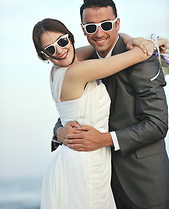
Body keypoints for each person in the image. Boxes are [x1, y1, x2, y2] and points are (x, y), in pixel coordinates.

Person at [53, 0, 169, 209]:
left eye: (106, 24)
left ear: (117, 23)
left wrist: (104, 139)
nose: (99, 33)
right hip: (99, 182)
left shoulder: (141, 58)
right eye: (91, 27)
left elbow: (157, 124)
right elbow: (72, 112)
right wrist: (60, 132)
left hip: (144, 183)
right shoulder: (83, 65)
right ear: (82, 29)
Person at [32, 18, 154, 209]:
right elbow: (138, 55)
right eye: (50, 49)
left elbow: (112, 40)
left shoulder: (58, 70)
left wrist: (130, 38)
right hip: (84, 165)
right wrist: (147, 42)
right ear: (44, 55)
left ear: (70, 38)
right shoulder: (76, 72)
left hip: (78, 160)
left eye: (62, 41)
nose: (60, 51)